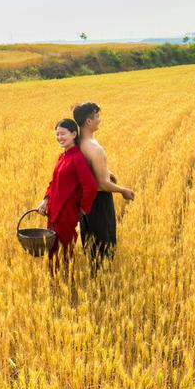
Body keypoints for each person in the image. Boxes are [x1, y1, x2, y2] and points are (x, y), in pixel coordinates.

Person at [72, 101, 135, 272]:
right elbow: (101, 184)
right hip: (99, 201)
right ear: (88, 121)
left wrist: (108, 171)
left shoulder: (79, 144)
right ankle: (101, 279)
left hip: (86, 201)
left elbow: (89, 170)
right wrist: (123, 190)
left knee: (91, 241)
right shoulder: (93, 148)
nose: (100, 119)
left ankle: (95, 275)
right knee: (104, 242)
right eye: (97, 116)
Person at [37, 118, 98, 275]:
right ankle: (53, 285)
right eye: (57, 134)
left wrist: (83, 209)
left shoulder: (77, 158)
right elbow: (53, 182)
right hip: (52, 212)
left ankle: (66, 284)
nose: (59, 137)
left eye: (63, 134)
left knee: (64, 252)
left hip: (66, 213)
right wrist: (46, 200)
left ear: (73, 134)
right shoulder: (62, 156)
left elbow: (91, 186)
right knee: (51, 250)